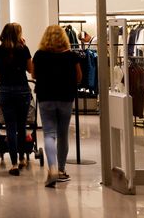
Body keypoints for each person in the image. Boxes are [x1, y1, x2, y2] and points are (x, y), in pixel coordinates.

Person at [33, 25, 82, 187]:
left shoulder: (39, 55)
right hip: (66, 97)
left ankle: (52, 167)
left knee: (49, 134)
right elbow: (79, 77)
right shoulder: (71, 56)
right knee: (63, 134)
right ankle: (61, 170)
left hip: (46, 97)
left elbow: (33, 74)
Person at [0, 22, 34, 175]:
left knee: (10, 127)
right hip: (22, 90)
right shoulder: (23, 49)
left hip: (5, 91)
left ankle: (14, 164)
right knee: (22, 126)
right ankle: (23, 158)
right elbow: (30, 69)